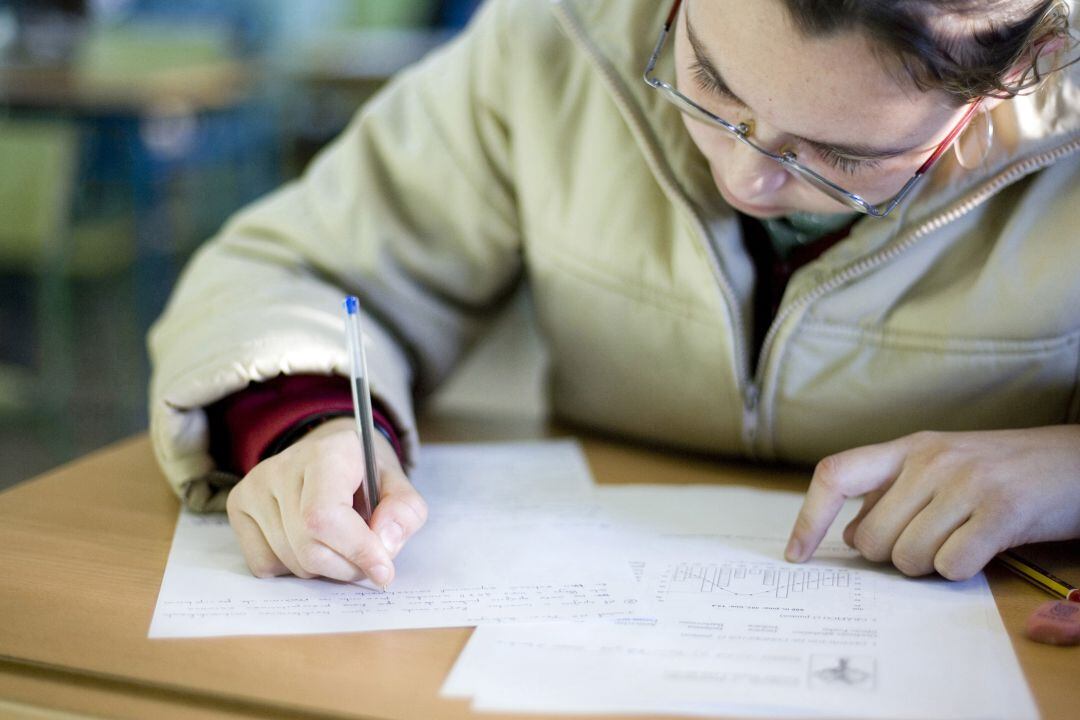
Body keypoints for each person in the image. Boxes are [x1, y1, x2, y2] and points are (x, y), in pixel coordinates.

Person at [149, 0, 1080, 589]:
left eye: (842, 157)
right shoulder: (558, 37)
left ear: (1024, 64)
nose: (746, 180)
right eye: (710, 81)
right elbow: (304, 269)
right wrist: (308, 420)